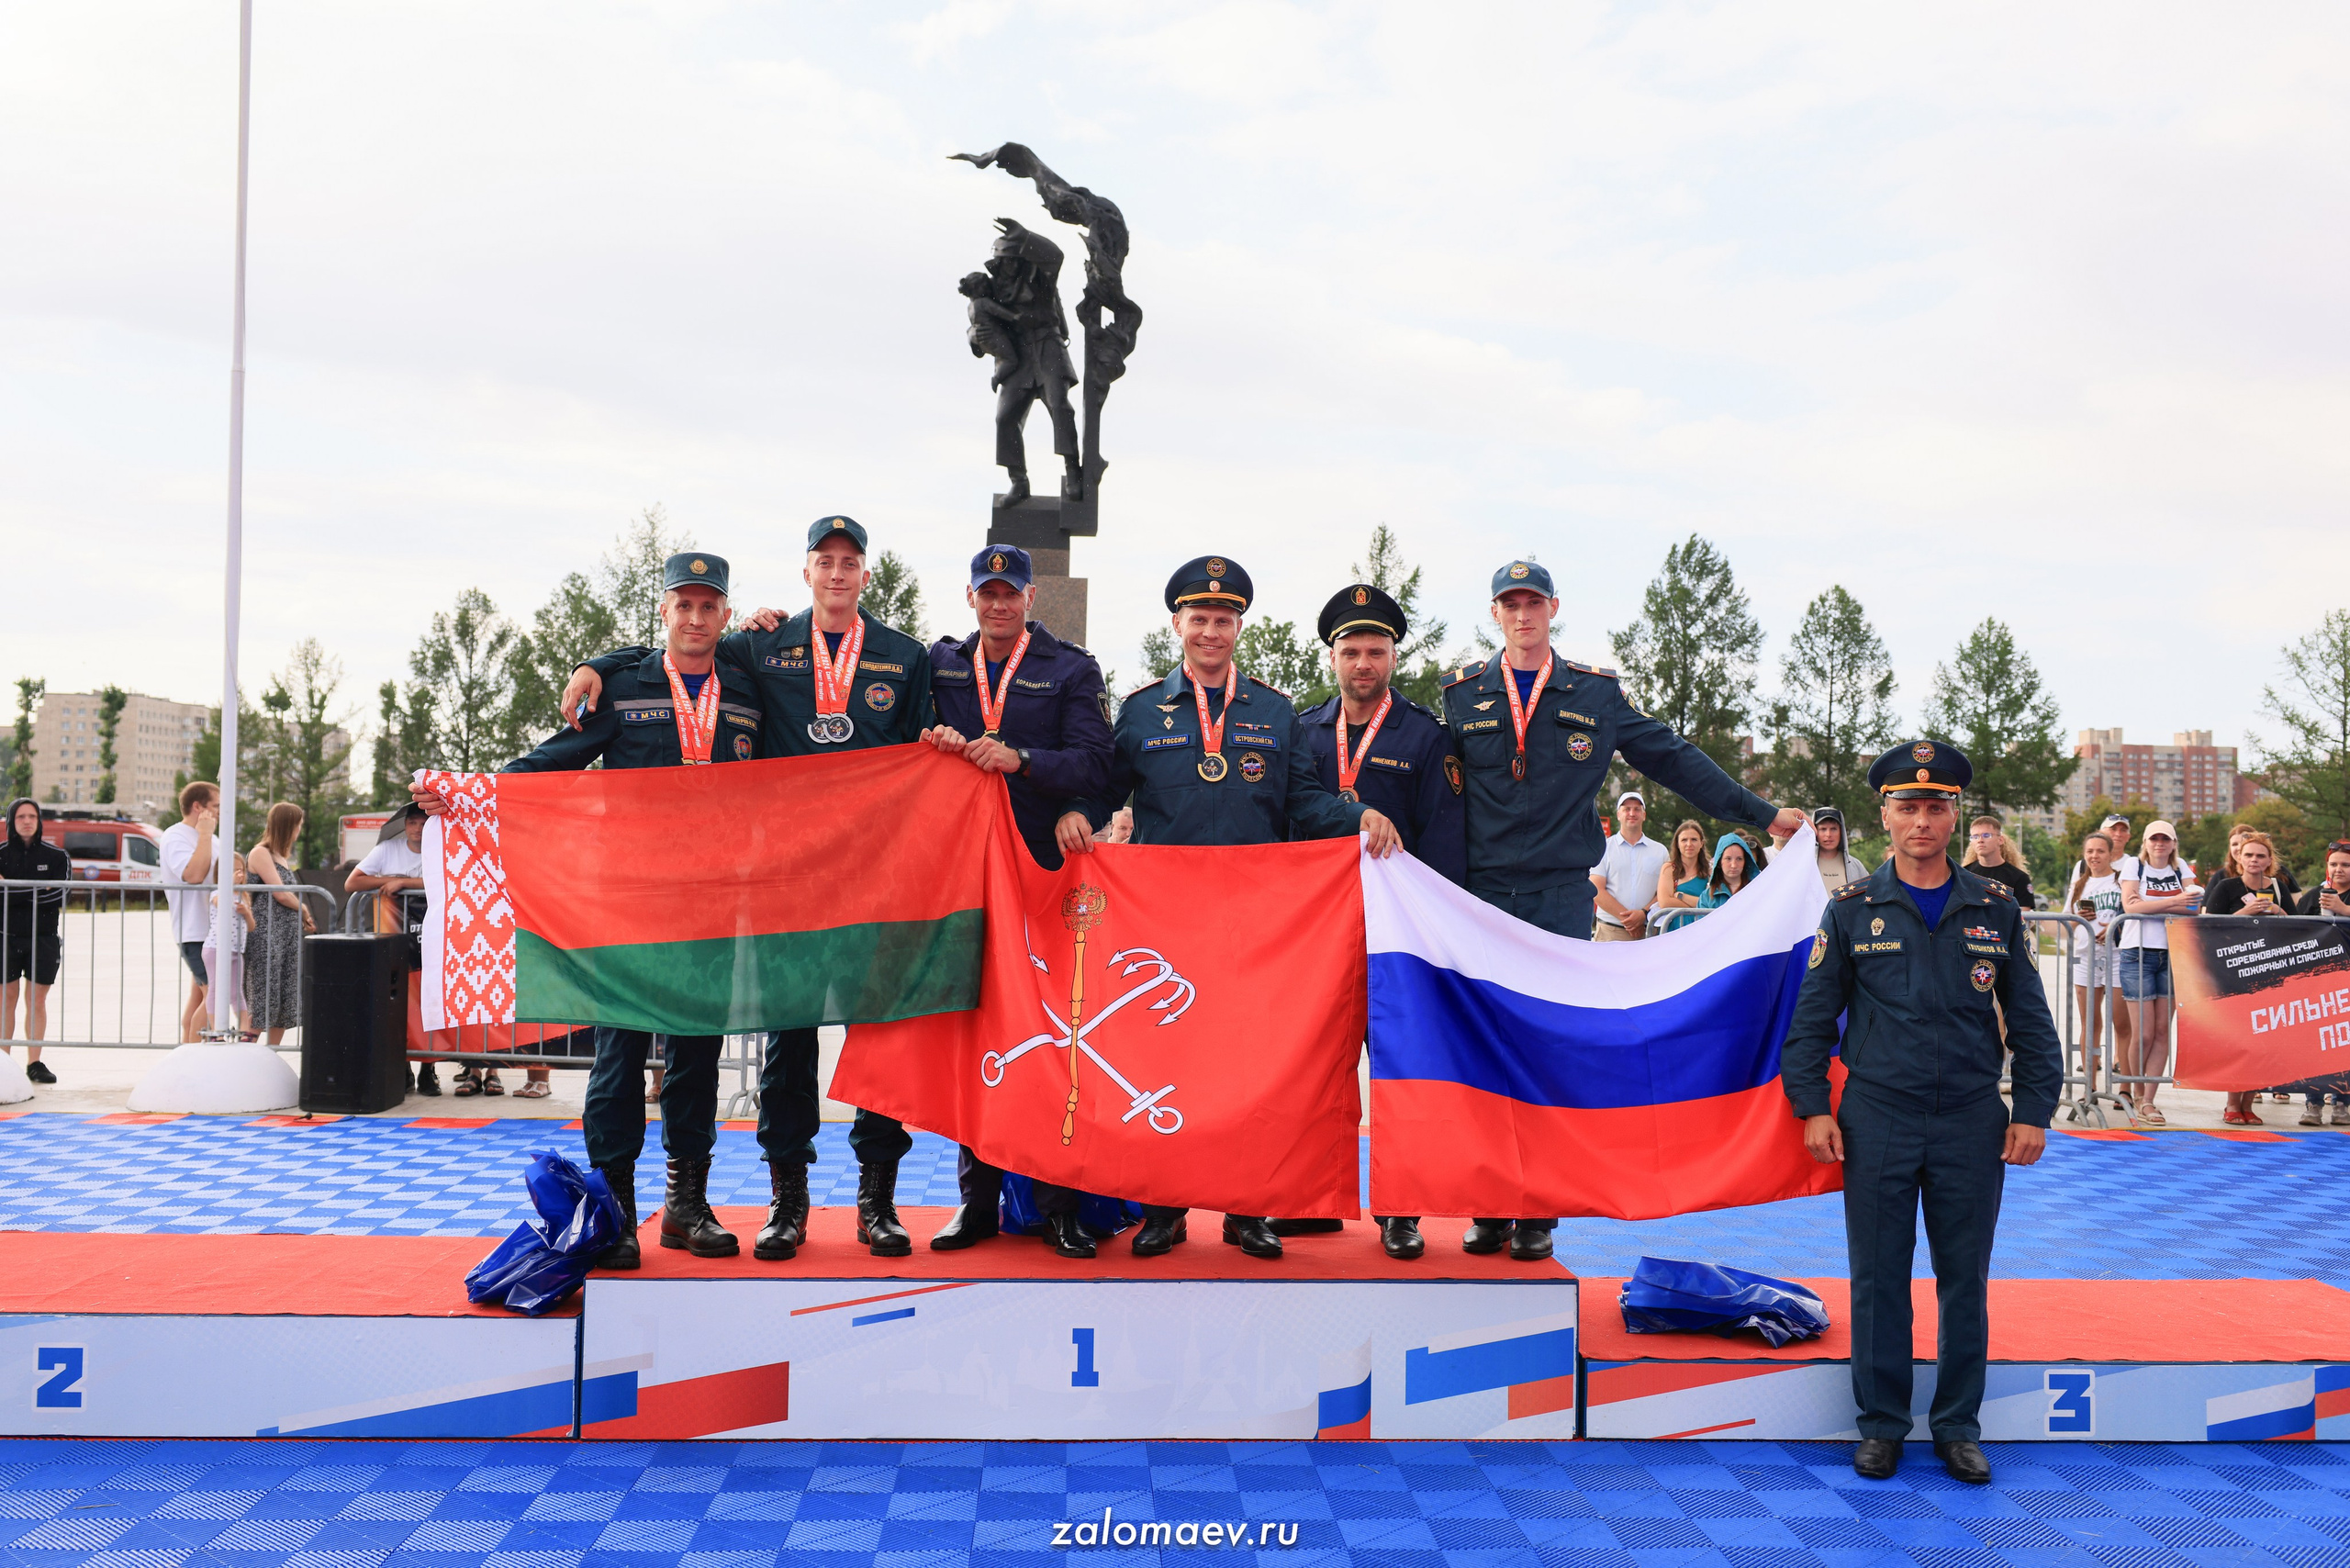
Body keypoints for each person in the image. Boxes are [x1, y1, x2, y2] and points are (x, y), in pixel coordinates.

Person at [563, 516, 936, 1261]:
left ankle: (876, 1204)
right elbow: (677, 655)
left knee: (879, 1045)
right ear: (806, 572)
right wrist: (597, 663)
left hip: (873, 885)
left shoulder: (906, 656)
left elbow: (929, 752)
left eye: (849, 562)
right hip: (776, 887)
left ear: (865, 573)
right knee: (785, 1045)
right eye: (825, 561)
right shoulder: (763, 647)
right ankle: (786, 1204)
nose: (837, 573)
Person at [1441, 558, 1807, 1260]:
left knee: (1546, 1048)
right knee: (1482, 1051)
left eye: (1533, 602)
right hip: (1479, 899)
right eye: (1510, 604)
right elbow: (1434, 792)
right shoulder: (1461, 696)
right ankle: (1490, 1203)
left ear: (1553, 609)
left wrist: (1759, 813)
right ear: (1494, 614)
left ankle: (1539, 1210)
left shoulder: (1595, 694)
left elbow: (1673, 758)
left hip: (1556, 899)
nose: (1523, 615)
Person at [1062, 554, 1402, 1260]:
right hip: (1166, 924)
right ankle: (1164, 1208)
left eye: (1223, 619)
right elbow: (1105, 792)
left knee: (1251, 1071)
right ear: (1178, 625)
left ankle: (1250, 1210)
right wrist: (1077, 815)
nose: (1210, 632)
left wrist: (1358, 815)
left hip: (1255, 926)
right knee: (1168, 1062)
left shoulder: (1274, 712)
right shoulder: (1141, 710)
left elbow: (1303, 801)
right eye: (1199, 619)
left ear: (1239, 627)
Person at [435, 551, 763, 1269]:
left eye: (709, 606)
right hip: (630, 907)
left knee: (696, 1061)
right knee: (618, 1059)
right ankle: (615, 1214)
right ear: (664, 610)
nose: (696, 617)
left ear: (726, 615)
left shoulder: (746, 689)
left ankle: (686, 1207)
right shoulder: (622, 687)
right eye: (684, 604)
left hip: (709, 909)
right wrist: (468, 793)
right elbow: (553, 760)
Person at [1782, 741, 2062, 1486]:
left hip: (1971, 1117)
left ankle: (1958, 1426)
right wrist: (1812, 1107)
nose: (1922, 821)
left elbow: (2031, 1020)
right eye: (1908, 806)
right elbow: (1811, 1021)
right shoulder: (1851, 911)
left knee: (1964, 1278)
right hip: (1877, 1115)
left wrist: (2033, 1109)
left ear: (1953, 817)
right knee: (1878, 1277)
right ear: (1886, 816)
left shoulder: (1995, 908)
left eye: (1936, 807)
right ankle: (1881, 1425)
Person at [916, 543, 1115, 1260]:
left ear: (1031, 598)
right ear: (971, 597)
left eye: (1011, 592)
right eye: (987, 592)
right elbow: (898, 724)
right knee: (979, 1044)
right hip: (965, 879)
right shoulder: (940, 665)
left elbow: (1097, 764)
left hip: (1044, 878)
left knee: (1056, 1041)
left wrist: (1024, 762)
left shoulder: (1072, 669)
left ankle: (1058, 1207)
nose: (999, 603)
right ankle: (977, 1204)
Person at [1292, 582, 1466, 1261]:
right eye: (1351, 652)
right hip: (1319, 934)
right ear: (1333, 657)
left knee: (1398, 1073)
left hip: (1395, 941)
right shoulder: (1303, 731)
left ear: (1393, 656)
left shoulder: (1425, 737)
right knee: (1315, 1072)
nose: (1363, 663)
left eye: (1375, 651)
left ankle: (1400, 1210)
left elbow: (1444, 846)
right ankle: (1314, 1200)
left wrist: (1437, 942)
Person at [348, 804, 461, 1094]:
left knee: (431, 1002)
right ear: (404, 825)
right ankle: (404, 1068)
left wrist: (403, 882)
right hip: (395, 939)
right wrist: (391, 881)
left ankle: (429, 1071)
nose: (417, 829)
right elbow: (353, 882)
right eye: (412, 823)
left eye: (423, 823)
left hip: (435, 940)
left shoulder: (442, 849)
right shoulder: (387, 849)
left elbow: (452, 881)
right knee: (398, 1004)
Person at [2201, 830, 2291, 1125]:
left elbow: (2300, 926)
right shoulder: (2226, 886)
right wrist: (2245, 912)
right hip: (2233, 971)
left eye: (2260, 856)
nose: (2254, 860)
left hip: (2269, 971)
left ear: (2269, 860)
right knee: (2239, 1041)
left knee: (2261, 1041)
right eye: (2248, 855)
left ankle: (2249, 1104)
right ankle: (2231, 1104)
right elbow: (2209, 925)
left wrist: (2278, 911)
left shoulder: (2279, 888)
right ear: (2238, 858)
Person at [2116, 819, 2199, 1126]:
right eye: (2154, 839)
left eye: (2165, 839)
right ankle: (2138, 1093)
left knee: (2163, 1031)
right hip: (2137, 953)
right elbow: (2130, 906)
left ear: (2174, 843)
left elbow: (2195, 908)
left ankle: (2149, 1099)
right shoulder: (2134, 866)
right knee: (2144, 1032)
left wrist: (2150, 904)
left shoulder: (2181, 869)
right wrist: (2175, 901)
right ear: (2146, 842)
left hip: (2173, 952)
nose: (2160, 844)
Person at [1, 798, 70, 1082]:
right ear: (11, 821)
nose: (27, 821)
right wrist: (39, 891)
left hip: (44, 938)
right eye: (21, 817)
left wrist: (11, 890)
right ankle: (4, 1062)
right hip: (5, 936)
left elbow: (60, 895)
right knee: (6, 999)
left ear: (39, 820)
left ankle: (34, 1062)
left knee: (36, 1000)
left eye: (32, 816)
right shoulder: (1, 854)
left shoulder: (57, 856)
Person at [243, 802, 315, 1047]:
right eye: (298, 825)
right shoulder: (260, 853)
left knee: (285, 999)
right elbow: (280, 893)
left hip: (286, 936)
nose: (299, 831)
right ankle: (246, 1050)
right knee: (264, 996)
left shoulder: (281, 857)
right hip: (267, 934)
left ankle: (271, 1054)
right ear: (289, 826)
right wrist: (303, 909)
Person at [159, 781, 223, 1043]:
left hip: (214, 931)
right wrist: (204, 835)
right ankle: (195, 1054)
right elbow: (193, 875)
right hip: (194, 931)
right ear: (198, 807)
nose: (220, 812)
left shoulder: (214, 840)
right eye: (216, 806)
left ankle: (187, 1048)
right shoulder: (175, 836)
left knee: (200, 998)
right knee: (214, 997)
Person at [2295, 842, 2350, 1126]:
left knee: (2345, 1043)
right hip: (2316, 981)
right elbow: (2293, 932)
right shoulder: (2314, 896)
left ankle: (2342, 1104)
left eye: (2346, 865)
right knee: (2315, 1044)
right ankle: (2313, 1104)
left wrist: (2343, 909)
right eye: (2334, 864)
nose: (2339, 869)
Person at [2065, 832, 2124, 1085]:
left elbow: (2132, 915)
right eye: (2089, 851)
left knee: (2122, 1023)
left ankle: (2125, 1087)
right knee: (2090, 1023)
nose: (2094, 856)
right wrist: (2079, 920)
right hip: (2086, 957)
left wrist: (2114, 927)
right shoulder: (2079, 885)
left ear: (2111, 854)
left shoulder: (2121, 881)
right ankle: (2090, 1086)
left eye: (2100, 851)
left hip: (2117, 957)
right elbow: (2066, 924)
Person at [1592, 791, 1667, 942]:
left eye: (1637, 809)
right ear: (1618, 815)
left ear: (1644, 815)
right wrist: (1630, 921)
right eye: (1626, 809)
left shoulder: (1660, 851)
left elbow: (1665, 891)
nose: (1632, 813)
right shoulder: (1603, 848)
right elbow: (1596, 889)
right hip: (1610, 933)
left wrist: (1643, 914)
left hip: (1648, 933)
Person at [200, 858, 256, 1037]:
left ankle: (244, 1029)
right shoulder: (217, 893)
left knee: (236, 991)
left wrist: (246, 913)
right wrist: (229, 885)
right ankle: (216, 1029)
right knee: (215, 988)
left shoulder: (244, 896)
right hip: (215, 948)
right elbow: (220, 903)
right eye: (234, 870)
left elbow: (251, 926)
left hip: (236, 950)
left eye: (241, 870)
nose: (239, 874)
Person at [1961, 817, 2037, 908]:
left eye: (1986, 835)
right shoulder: (1962, 875)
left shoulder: (2019, 878)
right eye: (1975, 837)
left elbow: (2024, 913)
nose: (1980, 840)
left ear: (2000, 840)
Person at [1652, 819, 1711, 924]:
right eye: (1684, 840)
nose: (1689, 844)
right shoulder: (1669, 869)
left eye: (1694, 839)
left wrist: (1681, 896)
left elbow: (1711, 904)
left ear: (1701, 843)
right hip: (1674, 929)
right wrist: (1698, 907)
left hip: (1701, 927)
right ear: (1677, 844)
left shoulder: (1710, 871)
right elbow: (1665, 903)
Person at [1806, 806, 1870, 894]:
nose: (1828, 834)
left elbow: (1869, 895)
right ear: (1815, 831)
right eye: (1823, 829)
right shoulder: (1805, 865)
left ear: (1841, 831)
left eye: (1833, 829)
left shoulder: (1856, 866)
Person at [1698, 830, 1761, 908]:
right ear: (1719, 861)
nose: (1734, 865)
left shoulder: (1758, 892)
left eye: (1739, 859)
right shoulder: (1706, 897)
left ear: (1745, 861)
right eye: (1728, 859)